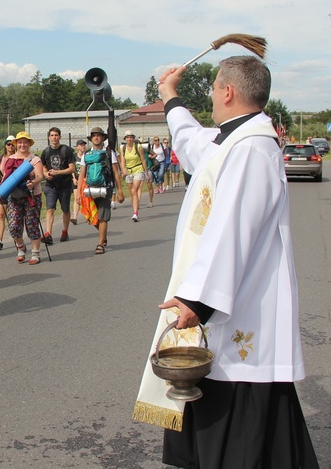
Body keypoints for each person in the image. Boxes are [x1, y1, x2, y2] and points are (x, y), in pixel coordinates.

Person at [135, 56, 318, 468]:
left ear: (229, 92)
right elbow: (190, 139)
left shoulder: (252, 148)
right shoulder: (231, 141)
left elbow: (232, 230)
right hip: (229, 301)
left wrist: (197, 302)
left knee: (242, 427)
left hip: (240, 309)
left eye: (216, 89)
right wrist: (170, 96)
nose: (213, 98)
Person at [78, 127, 124, 254]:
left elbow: (116, 171)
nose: (96, 138)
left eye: (99, 135)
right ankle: (102, 236)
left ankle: (100, 244)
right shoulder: (87, 154)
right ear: (91, 139)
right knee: (92, 216)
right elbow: (82, 173)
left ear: (103, 138)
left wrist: (120, 190)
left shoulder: (109, 153)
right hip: (89, 188)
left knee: (103, 216)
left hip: (106, 187)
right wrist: (78, 193)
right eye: (94, 136)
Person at [3, 131, 44, 265]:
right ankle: (20, 247)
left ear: (29, 144)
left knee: (32, 225)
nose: (22, 145)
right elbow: (5, 178)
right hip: (14, 196)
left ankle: (35, 253)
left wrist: (32, 183)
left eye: (25, 142)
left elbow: (40, 176)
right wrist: (1, 193)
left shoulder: (34, 159)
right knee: (13, 225)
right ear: (16, 144)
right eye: (19, 142)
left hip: (32, 196)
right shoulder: (10, 160)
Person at [40, 127, 77, 244]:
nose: (54, 137)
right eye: (52, 135)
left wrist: (58, 172)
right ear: (48, 137)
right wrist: (46, 174)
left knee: (65, 209)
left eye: (56, 135)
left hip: (65, 185)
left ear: (60, 137)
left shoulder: (66, 150)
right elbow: (43, 166)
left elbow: (72, 168)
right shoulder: (46, 152)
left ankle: (65, 231)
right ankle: (48, 234)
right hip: (51, 185)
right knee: (50, 208)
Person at [0, 135, 16, 250]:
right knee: (1, 214)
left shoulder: (18, 158)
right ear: (5, 145)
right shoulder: (0, 158)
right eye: (8, 144)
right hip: (3, 188)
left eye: (12, 144)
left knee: (14, 214)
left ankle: (17, 237)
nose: (10, 146)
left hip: (14, 188)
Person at [119, 130, 147, 222]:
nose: (129, 139)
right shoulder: (123, 148)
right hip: (129, 171)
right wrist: (123, 170)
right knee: (132, 192)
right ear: (125, 139)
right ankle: (134, 209)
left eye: (131, 137)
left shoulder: (138, 147)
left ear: (133, 138)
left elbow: (143, 160)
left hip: (138, 169)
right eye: (127, 137)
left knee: (134, 190)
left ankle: (135, 213)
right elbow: (122, 160)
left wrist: (146, 173)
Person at [70, 139, 87, 225]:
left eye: (84, 145)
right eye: (81, 145)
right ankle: (75, 217)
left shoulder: (87, 156)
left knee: (85, 197)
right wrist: (73, 178)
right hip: (76, 178)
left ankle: (87, 215)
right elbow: (72, 168)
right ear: (77, 147)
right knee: (76, 197)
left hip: (85, 179)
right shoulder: (74, 156)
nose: (83, 146)